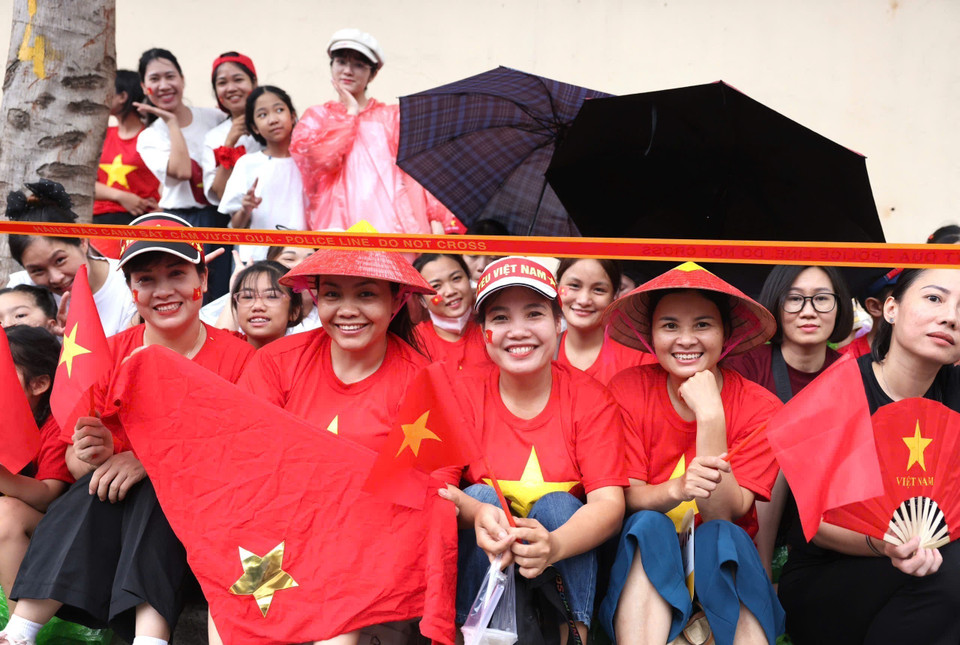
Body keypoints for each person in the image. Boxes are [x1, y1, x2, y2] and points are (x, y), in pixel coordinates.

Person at [0, 214, 254, 645]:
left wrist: (150, 461)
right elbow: (75, 467)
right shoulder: (105, 355)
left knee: (159, 483)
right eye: (146, 279)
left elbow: (245, 456)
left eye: (177, 274)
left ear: (204, 278)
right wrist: (90, 454)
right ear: (132, 290)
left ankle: (147, 638)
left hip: (204, 534)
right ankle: (19, 632)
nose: (163, 291)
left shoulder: (242, 359)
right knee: (102, 483)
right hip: (106, 530)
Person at [234, 249, 431, 644]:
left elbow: (425, 487)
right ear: (315, 299)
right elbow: (247, 461)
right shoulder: (276, 362)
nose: (347, 310)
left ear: (397, 302)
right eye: (332, 295)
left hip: (367, 544)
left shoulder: (421, 379)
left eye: (366, 295)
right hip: (277, 531)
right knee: (238, 613)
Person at [436, 256, 627, 644]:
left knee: (561, 507)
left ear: (559, 322)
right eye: (501, 318)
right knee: (479, 495)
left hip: (561, 564)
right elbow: (435, 489)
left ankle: (574, 636)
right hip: (486, 563)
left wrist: (555, 545)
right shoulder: (458, 392)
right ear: (483, 330)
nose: (518, 331)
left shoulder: (592, 399)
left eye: (535, 314)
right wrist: (478, 513)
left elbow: (609, 504)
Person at [598, 262, 785, 645]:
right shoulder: (628, 389)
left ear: (725, 334)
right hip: (647, 561)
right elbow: (631, 497)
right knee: (649, 524)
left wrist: (711, 415)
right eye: (670, 326)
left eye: (702, 325)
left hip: (725, 565)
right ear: (651, 335)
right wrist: (680, 488)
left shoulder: (760, 407)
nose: (686, 339)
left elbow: (723, 512)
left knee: (722, 535)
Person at [777, 267, 960, 644]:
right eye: (934, 298)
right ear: (890, 309)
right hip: (834, 571)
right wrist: (886, 545)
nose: (951, 316)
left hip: (935, 571)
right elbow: (816, 524)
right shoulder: (839, 390)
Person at [723, 265, 854, 575]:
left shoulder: (853, 373)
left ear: (840, 306)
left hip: (826, 501)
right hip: (750, 496)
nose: (808, 311)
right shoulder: (745, 364)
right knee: (778, 443)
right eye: (794, 299)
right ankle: (762, 572)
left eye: (822, 299)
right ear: (776, 307)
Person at [290, 28, 450, 235]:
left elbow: (421, 170)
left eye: (358, 65)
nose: (348, 71)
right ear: (332, 66)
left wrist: (435, 219)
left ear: (372, 74)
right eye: (341, 62)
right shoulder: (317, 116)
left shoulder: (393, 117)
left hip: (392, 228)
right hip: (335, 225)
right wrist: (350, 114)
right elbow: (320, 161)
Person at [136, 48, 231, 302]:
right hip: (180, 221)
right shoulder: (149, 137)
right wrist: (171, 123)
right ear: (145, 87)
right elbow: (181, 171)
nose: (164, 85)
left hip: (220, 216)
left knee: (223, 292)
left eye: (170, 76)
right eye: (155, 79)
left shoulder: (213, 118)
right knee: (190, 294)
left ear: (182, 79)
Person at [0, 326, 72, 614]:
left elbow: (48, 496)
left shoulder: (58, 422)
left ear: (39, 384)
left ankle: (18, 630)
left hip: (57, 535)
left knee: (5, 514)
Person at [5, 179, 137, 336]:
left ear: (82, 241)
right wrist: (43, 340)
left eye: (60, 260)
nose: (56, 278)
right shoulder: (20, 292)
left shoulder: (129, 287)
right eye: (37, 270)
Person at [219, 85, 305, 263]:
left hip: (301, 257)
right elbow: (236, 226)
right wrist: (245, 208)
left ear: (293, 116)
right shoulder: (247, 164)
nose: (273, 119)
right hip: (257, 259)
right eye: (262, 115)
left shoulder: (309, 164)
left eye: (279, 110)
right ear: (254, 127)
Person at [555, 257, 655, 385]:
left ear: (614, 296)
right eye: (574, 286)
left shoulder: (641, 358)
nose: (584, 300)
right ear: (557, 288)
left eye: (599, 290)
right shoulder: (540, 353)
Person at [93, 70, 160, 228]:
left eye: (106, 90)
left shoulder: (152, 137)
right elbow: (85, 183)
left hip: (141, 221)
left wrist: (164, 208)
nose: (100, 96)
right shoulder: (102, 136)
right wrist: (121, 196)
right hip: (100, 221)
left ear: (122, 97)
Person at [200, 52, 262, 206]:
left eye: (238, 79)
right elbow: (220, 195)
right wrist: (229, 144)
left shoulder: (277, 123)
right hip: (242, 224)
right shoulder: (214, 137)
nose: (231, 88)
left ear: (254, 82)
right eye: (222, 83)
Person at [411, 253, 486, 369]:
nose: (450, 291)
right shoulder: (414, 343)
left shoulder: (491, 331)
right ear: (422, 300)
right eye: (436, 286)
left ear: (469, 279)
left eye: (456, 278)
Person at [227, 260, 303, 349]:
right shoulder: (223, 346)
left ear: (294, 312)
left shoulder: (305, 358)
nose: (257, 306)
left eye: (271, 296)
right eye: (248, 297)